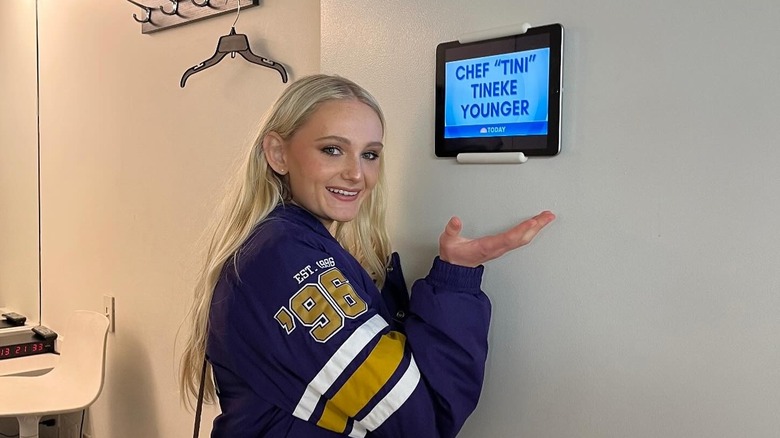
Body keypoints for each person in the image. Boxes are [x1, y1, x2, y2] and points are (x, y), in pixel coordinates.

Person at [179, 74, 555, 438]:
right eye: (332, 149)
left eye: (370, 154)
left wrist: (453, 272)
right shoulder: (284, 258)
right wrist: (454, 284)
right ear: (278, 154)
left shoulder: (294, 244)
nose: (357, 174)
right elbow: (420, 424)